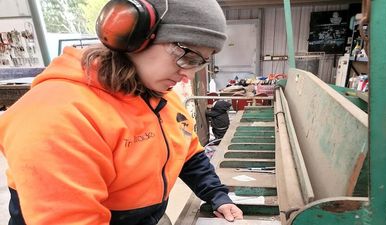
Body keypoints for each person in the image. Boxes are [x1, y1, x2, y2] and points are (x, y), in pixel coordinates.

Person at [0, 0, 243, 224]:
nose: (188, 75)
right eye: (187, 56)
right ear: (134, 35)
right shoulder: (57, 115)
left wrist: (217, 195)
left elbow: (188, 153)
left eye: (200, 62)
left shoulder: (160, 97)